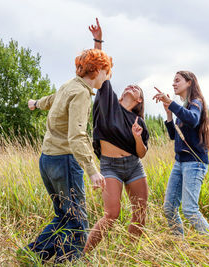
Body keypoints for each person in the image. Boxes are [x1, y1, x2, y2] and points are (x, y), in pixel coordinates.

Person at [24, 48, 112, 263]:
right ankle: (68, 262)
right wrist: (92, 171)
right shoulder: (81, 93)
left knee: (64, 216)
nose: (108, 77)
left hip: (47, 160)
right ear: (98, 70)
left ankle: (33, 255)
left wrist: (36, 103)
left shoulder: (69, 85)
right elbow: (76, 137)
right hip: (64, 161)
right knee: (77, 220)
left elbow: (53, 99)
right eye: (107, 72)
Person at [83, 18, 150, 254]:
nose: (132, 87)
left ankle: (127, 255)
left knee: (140, 213)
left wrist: (137, 137)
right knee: (112, 214)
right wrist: (98, 40)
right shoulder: (108, 99)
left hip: (134, 166)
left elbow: (141, 152)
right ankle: (83, 255)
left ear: (139, 100)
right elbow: (101, 67)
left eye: (137, 88)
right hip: (109, 166)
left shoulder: (139, 122)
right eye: (129, 85)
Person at [153, 71, 209, 241]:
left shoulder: (196, 102)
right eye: (173, 81)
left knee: (189, 209)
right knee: (169, 208)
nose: (173, 84)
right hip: (180, 162)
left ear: (189, 83)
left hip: (194, 163)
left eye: (177, 80)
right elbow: (174, 135)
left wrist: (171, 103)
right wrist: (168, 113)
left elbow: (193, 120)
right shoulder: (184, 107)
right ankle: (180, 246)